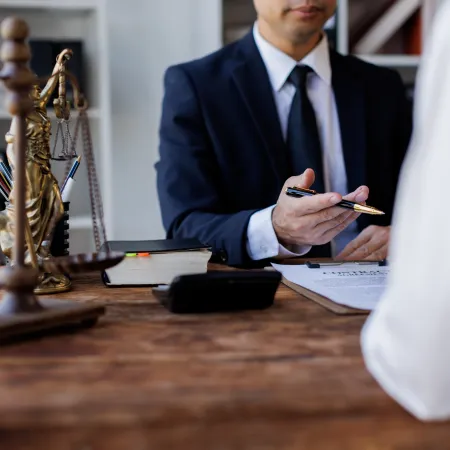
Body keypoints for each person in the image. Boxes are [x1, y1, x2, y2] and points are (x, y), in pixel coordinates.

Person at [155, 0, 412, 267]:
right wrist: (273, 229)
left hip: (372, 288)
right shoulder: (196, 86)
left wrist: (407, 235)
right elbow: (184, 226)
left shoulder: (382, 87)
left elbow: (427, 198)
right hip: (259, 294)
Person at [361, 0, 450, 422]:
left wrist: (412, 238)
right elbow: (187, 220)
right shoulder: (194, 81)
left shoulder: (381, 86)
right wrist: (272, 227)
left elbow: (430, 376)